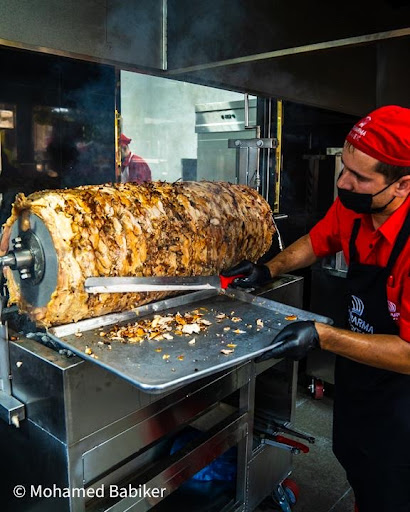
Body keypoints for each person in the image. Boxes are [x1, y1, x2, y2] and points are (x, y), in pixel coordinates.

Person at [222, 105, 410, 512]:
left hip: (402, 394)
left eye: (359, 177)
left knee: (393, 481)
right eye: (345, 167)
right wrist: (268, 269)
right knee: (357, 459)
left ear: (403, 185)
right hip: (360, 374)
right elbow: (318, 240)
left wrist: (322, 335)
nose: (342, 182)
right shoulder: (357, 207)